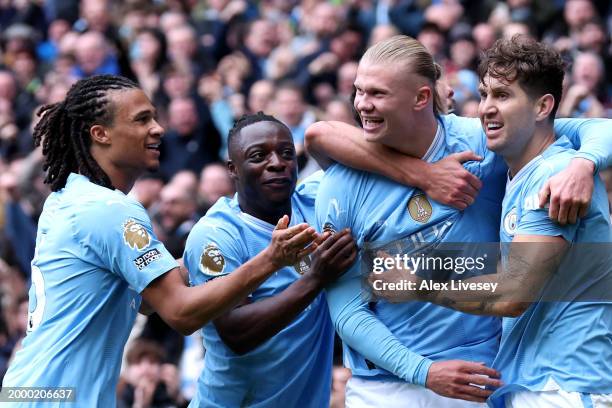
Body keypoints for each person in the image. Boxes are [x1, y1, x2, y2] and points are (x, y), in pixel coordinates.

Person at [306, 35, 612, 407]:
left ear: (421, 97)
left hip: (496, 382)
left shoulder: (498, 151)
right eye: (358, 91)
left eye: (377, 94)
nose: (362, 105)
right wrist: (422, 175)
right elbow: (347, 305)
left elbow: (512, 293)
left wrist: (586, 161)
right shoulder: (341, 184)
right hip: (387, 386)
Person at [1, 75, 320, 407]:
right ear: (100, 133)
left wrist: (214, 256)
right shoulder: (112, 210)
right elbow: (181, 313)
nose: (157, 128)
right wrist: (271, 259)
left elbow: (147, 299)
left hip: (27, 389)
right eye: (141, 119)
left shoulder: (67, 197)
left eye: (154, 116)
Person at [183, 112, 357, 407]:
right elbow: (237, 333)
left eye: (287, 153)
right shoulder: (215, 234)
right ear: (233, 168)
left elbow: (366, 151)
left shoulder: (317, 200)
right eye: (259, 155)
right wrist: (316, 278)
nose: (277, 163)